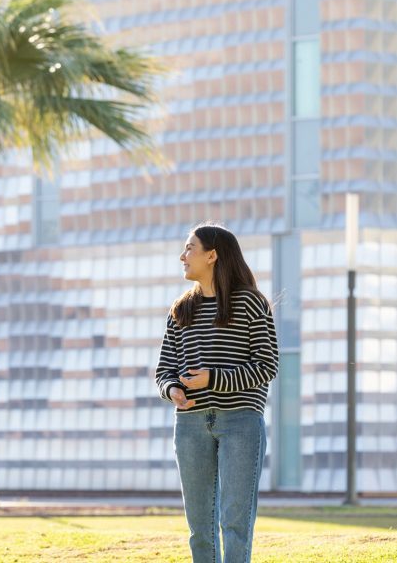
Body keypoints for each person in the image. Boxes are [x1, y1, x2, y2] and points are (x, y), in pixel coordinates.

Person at [155, 222, 279, 563]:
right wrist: (173, 390)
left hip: (240, 421)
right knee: (199, 529)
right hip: (190, 424)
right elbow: (163, 372)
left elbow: (267, 366)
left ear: (212, 255)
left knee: (235, 524)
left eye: (189, 248)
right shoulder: (180, 310)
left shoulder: (251, 303)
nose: (183, 256)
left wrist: (213, 378)